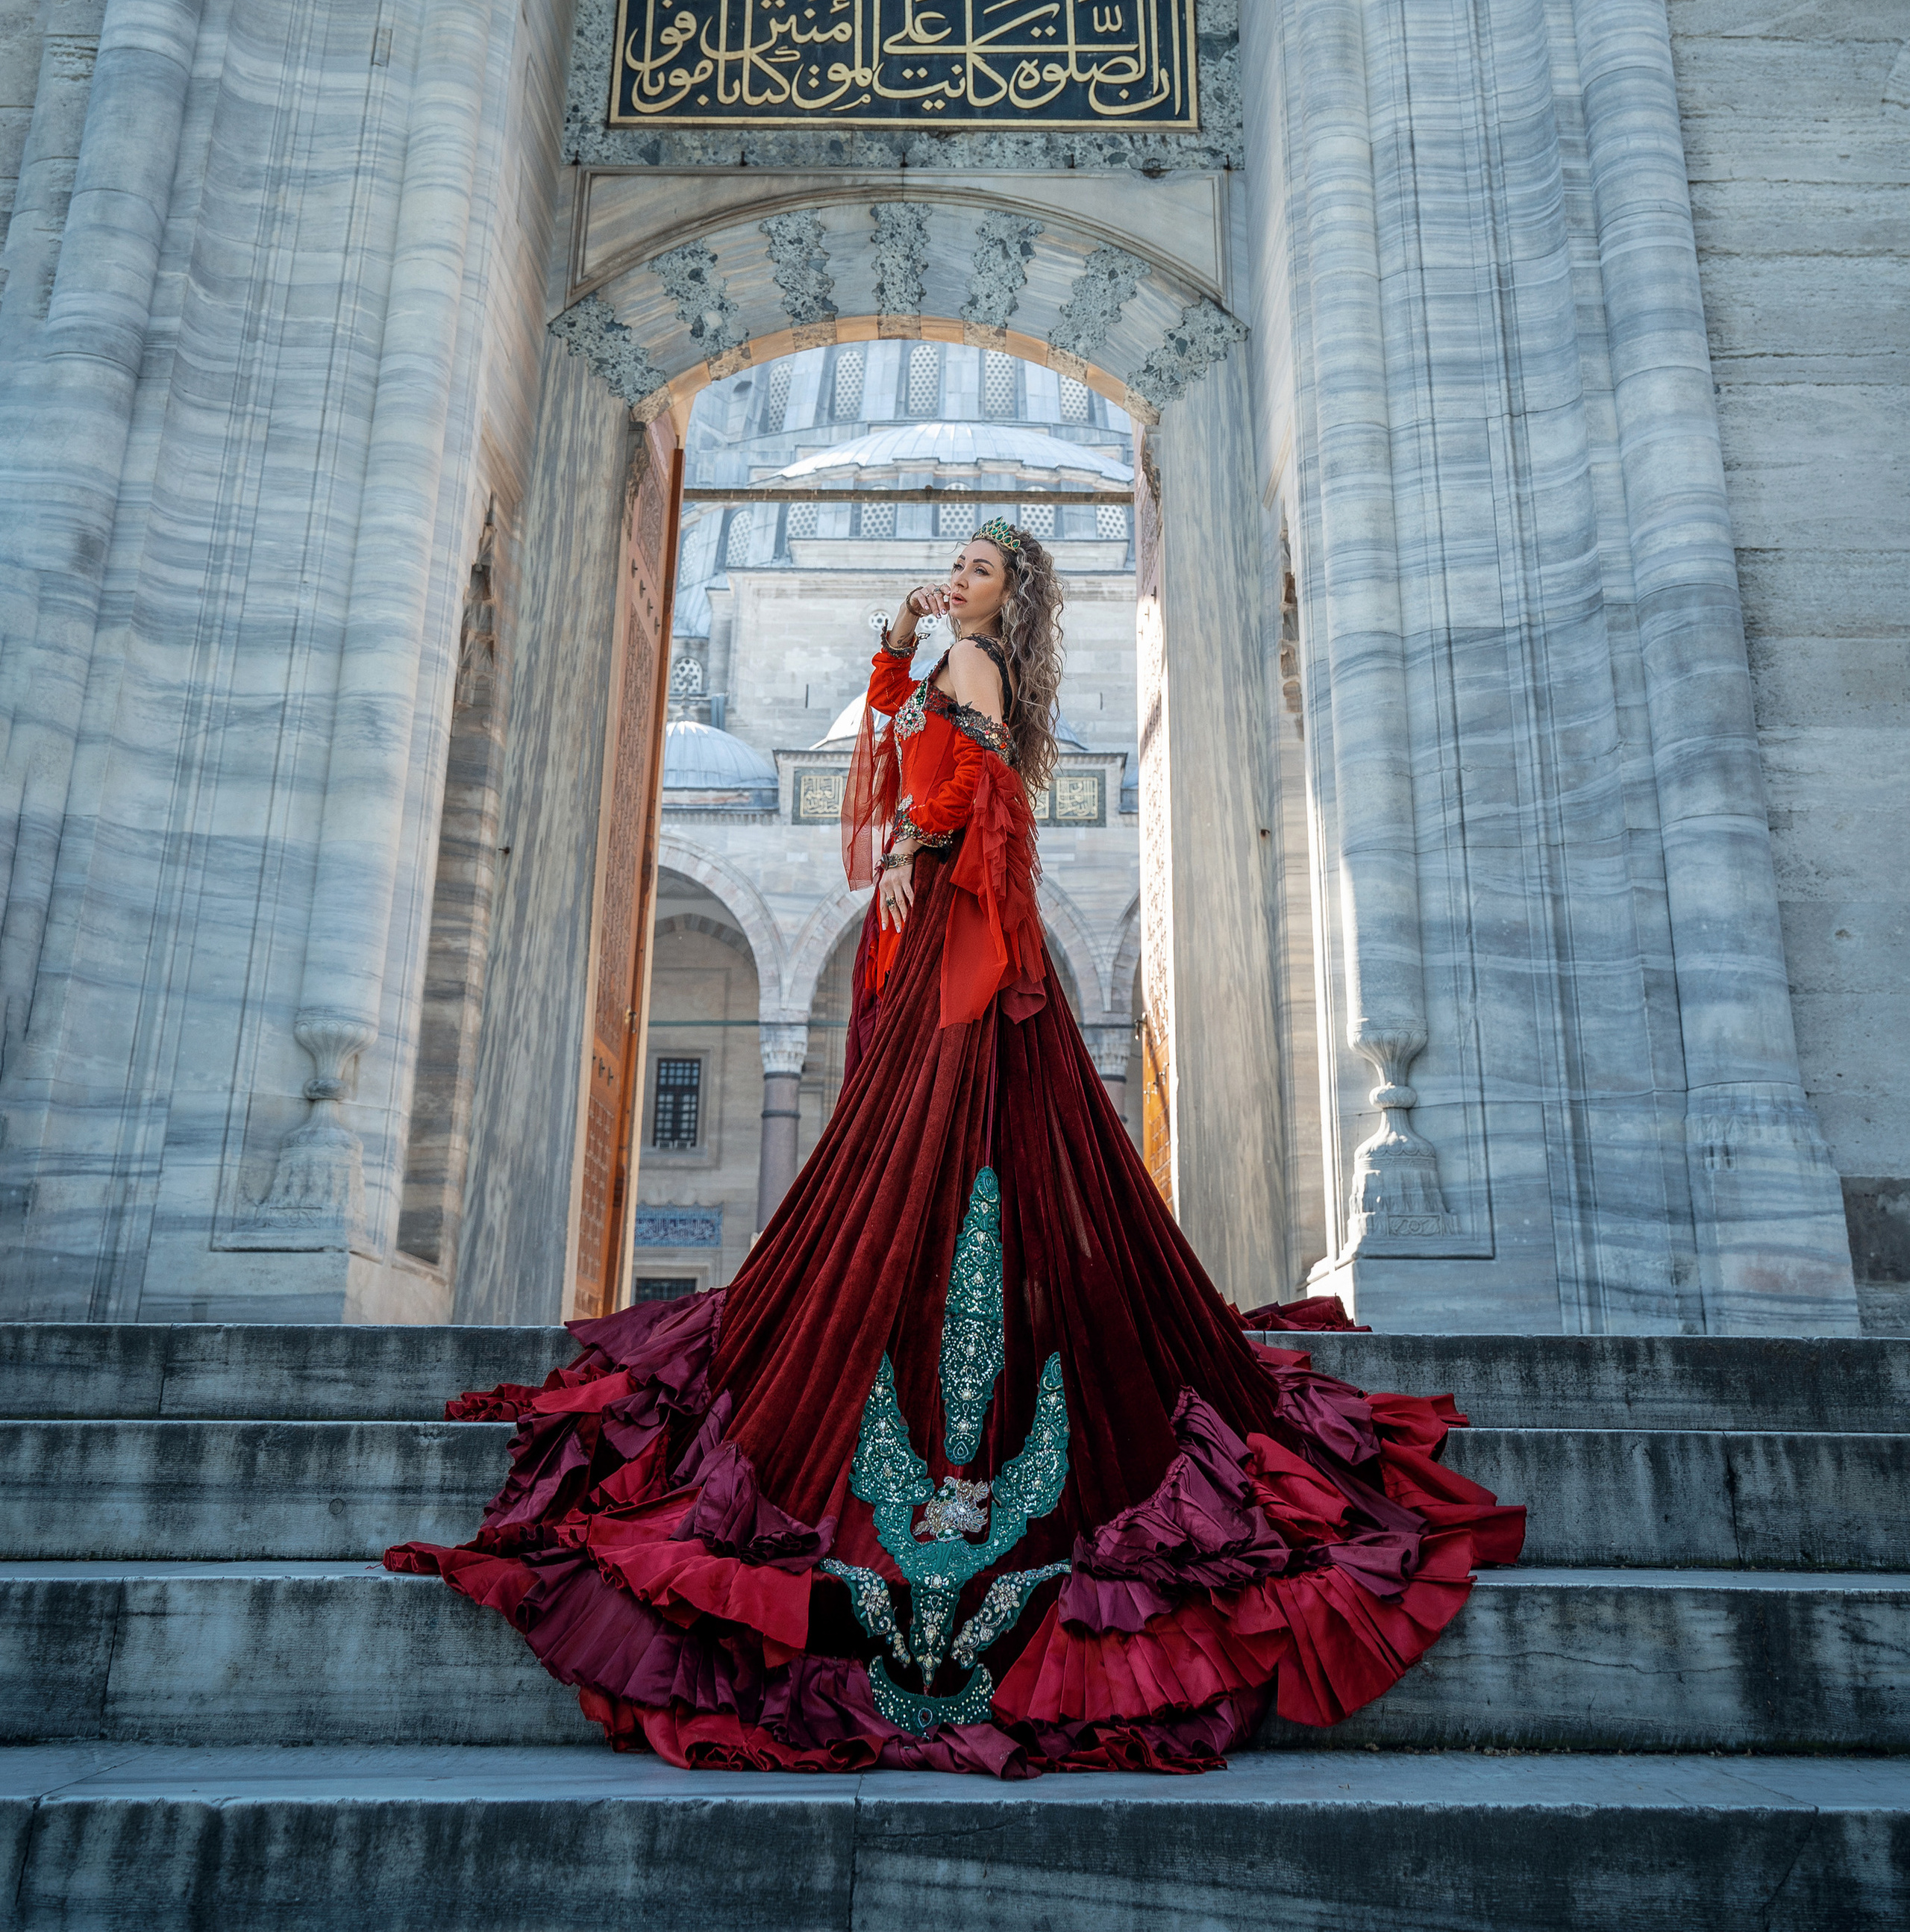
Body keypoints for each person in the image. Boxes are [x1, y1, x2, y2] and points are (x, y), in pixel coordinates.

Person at [386, 519, 1522, 1774]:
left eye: (979, 568)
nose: (959, 576)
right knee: (914, 1146)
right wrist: (892, 640)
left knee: (926, 1141)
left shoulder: (974, 668)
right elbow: (896, 729)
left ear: (1006, 595)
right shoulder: (949, 662)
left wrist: (917, 856)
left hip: (949, 929)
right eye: (960, 565)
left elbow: (974, 794)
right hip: (931, 914)